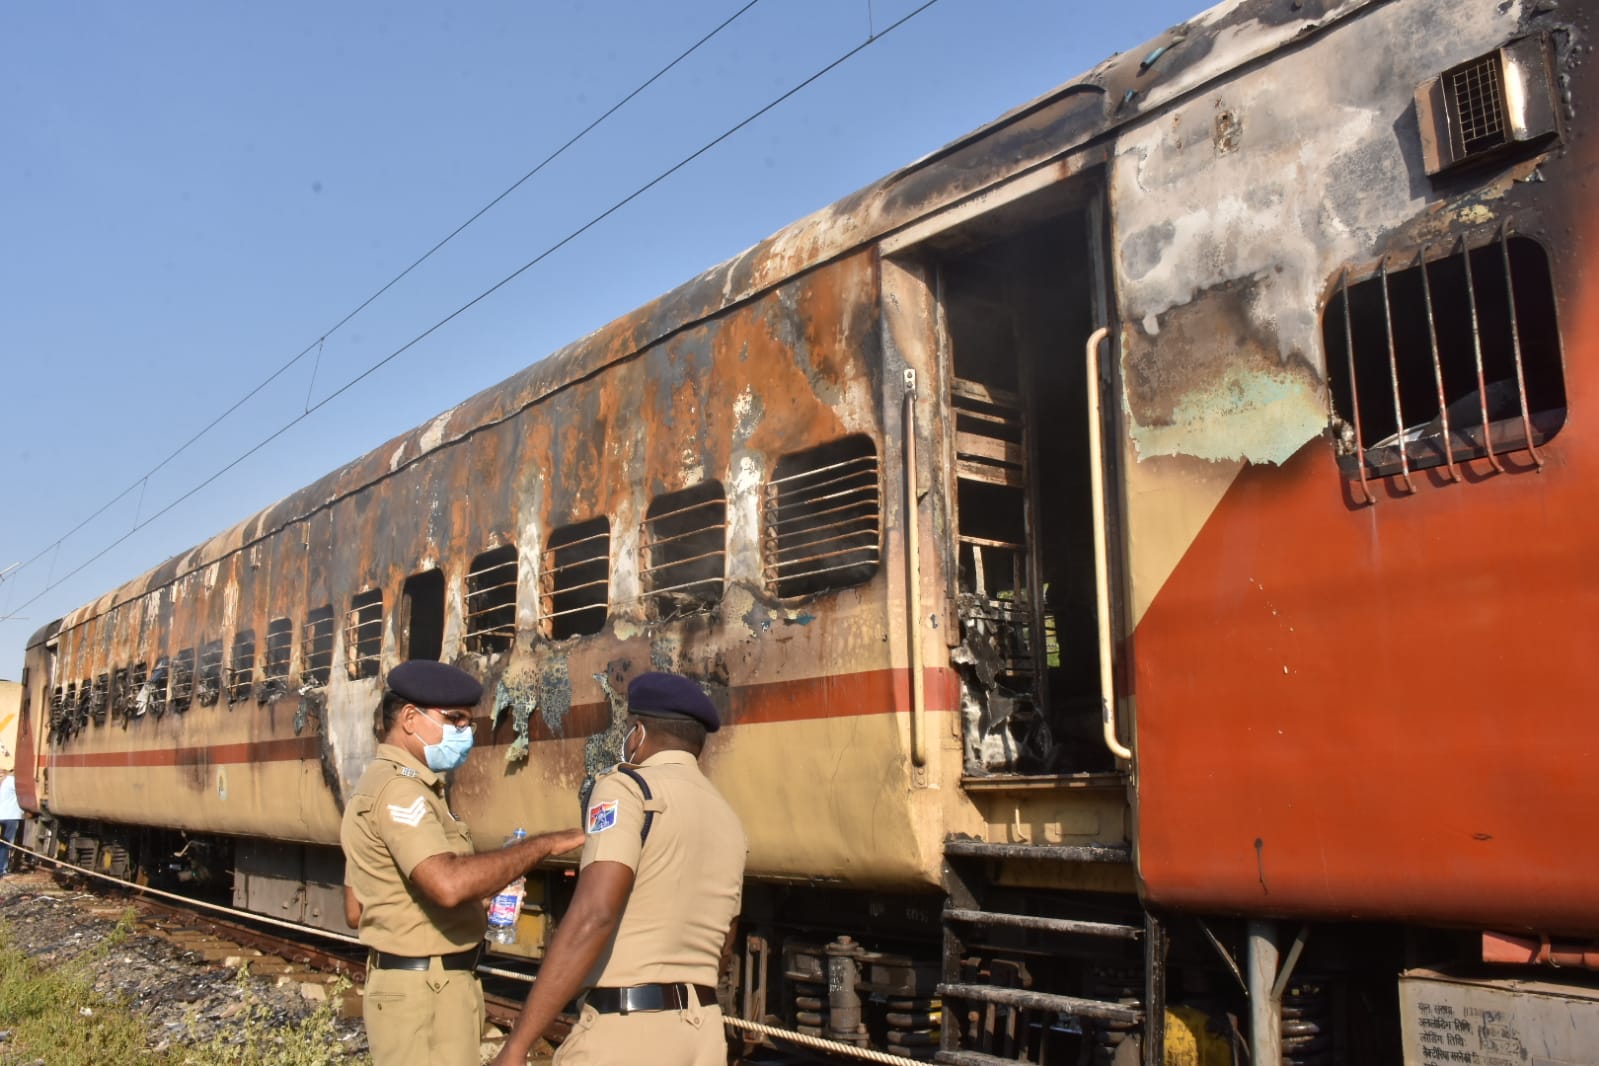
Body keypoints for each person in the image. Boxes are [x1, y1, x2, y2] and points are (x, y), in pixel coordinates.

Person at [492, 671, 747, 1066]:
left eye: (628, 729)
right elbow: (726, 943)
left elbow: (594, 915)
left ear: (639, 732)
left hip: (629, 1032)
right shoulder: (728, 818)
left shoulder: (627, 789)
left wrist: (517, 1043)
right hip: (704, 1035)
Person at [341, 660, 586, 1066]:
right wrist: (542, 845)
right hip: (427, 991)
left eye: (468, 722)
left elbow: (357, 909)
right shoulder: (402, 793)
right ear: (409, 719)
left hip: (422, 985)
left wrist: (478, 902)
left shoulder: (388, 785)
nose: (464, 732)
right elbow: (447, 885)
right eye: (454, 719)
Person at [0, 769, 22, 878]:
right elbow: (22, 793)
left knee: (3, 843)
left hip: (2, 815)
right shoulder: (12, 781)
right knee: (6, 844)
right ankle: (2, 869)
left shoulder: (4, 781)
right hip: (11, 816)